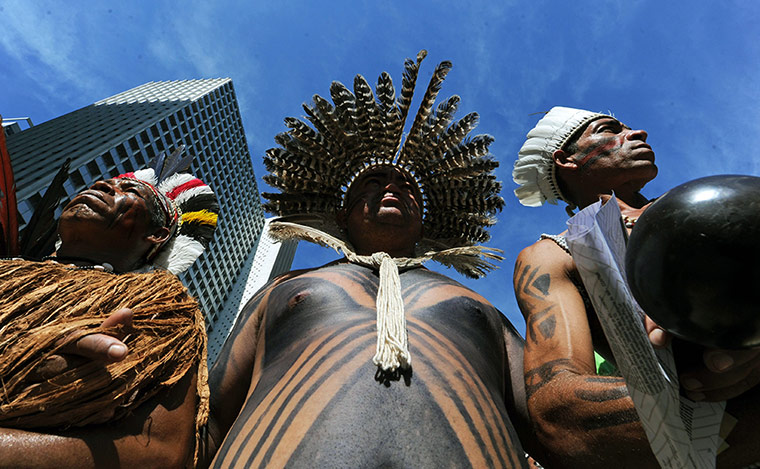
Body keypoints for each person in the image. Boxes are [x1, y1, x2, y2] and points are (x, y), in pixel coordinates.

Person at [202, 51, 535, 468]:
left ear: (423, 216)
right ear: (343, 213)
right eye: (375, 181)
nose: (392, 187)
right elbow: (210, 419)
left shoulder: (483, 308)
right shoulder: (280, 289)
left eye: (407, 186)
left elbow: (552, 423)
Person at [512, 106, 760, 468]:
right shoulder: (553, 256)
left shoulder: (710, 203)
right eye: (608, 129)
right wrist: (701, 391)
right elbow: (559, 409)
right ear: (566, 160)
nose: (638, 133)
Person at [0, 163, 218, 468]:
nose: (102, 185)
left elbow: (158, 451)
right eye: (105, 182)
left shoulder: (161, 305)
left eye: (128, 190)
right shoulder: (9, 270)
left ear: (157, 234)